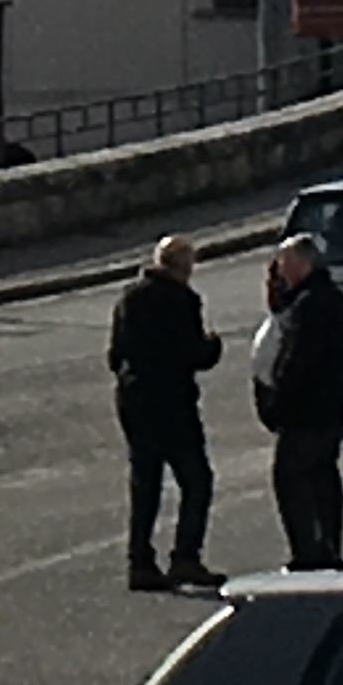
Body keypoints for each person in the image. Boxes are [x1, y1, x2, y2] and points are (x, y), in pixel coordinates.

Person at [105, 234, 223, 592]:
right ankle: (185, 557)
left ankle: (140, 561)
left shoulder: (129, 297)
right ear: (182, 266)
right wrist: (213, 346)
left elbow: (115, 355)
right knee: (196, 480)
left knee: (146, 483)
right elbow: (193, 354)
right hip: (172, 404)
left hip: (134, 400)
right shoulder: (182, 300)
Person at [254, 234, 343, 573]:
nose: (280, 272)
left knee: (293, 479)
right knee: (324, 478)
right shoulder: (332, 299)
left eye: (284, 265)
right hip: (330, 406)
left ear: (303, 263)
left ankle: (309, 554)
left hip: (305, 412)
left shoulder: (308, 305)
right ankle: (329, 545)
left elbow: (294, 361)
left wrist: (277, 402)